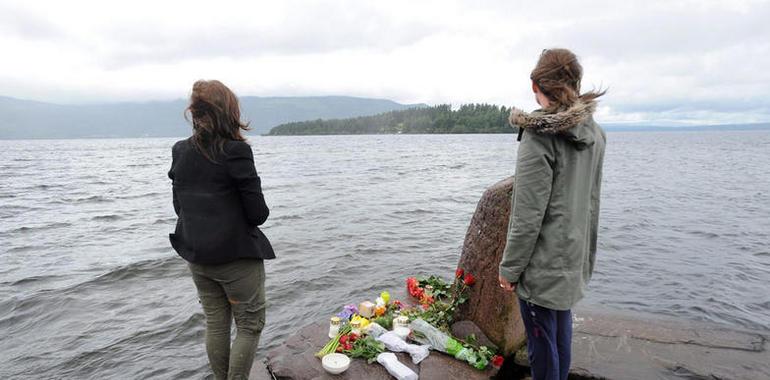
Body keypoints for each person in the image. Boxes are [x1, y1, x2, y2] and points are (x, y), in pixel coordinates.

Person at [498, 48, 606, 380]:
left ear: (535, 85)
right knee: (560, 333)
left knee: (542, 349)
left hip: (543, 266)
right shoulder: (595, 134)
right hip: (573, 257)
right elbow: (590, 201)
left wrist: (509, 269)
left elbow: (527, 214)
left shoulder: (539, 136)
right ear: (575, 83)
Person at [168, 80, 275, 380]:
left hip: (197, 258)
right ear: (229, 112)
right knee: (250, 325)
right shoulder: (236, 151)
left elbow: (180, 208)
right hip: (235, 259)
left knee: (216, 324)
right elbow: (258, 214)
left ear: (196, 113)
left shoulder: (180, 150)